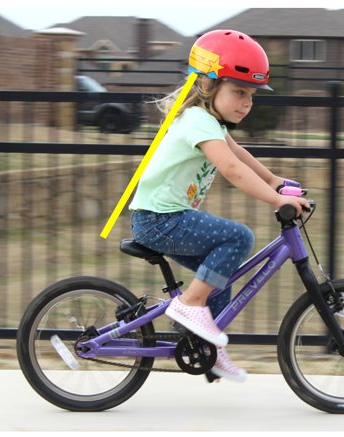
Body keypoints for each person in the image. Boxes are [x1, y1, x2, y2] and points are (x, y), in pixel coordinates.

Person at [128, 29, 308, 382]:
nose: (247, 102)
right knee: (238, 238)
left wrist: (274, 181)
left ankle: (207, 348)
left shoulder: (209, 122)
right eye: (239, 91)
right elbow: (231, 169)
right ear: (209, 86)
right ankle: (190, 305)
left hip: (167, 218)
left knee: (221, 273)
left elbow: (239, 154)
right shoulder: (197, 120)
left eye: (251, 95)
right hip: (159, 219)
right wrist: (276, 199)